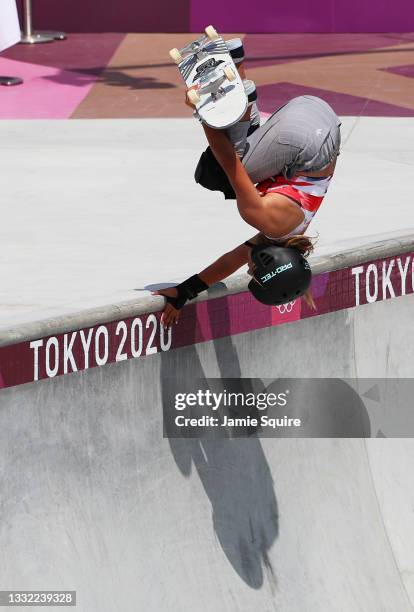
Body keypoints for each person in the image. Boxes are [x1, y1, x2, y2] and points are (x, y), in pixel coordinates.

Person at [156, 39, 341, 327]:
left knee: (250, 156)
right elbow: (229, 162)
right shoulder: (265, 218)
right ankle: (242, 101)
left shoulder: (286, 236)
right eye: (255, 273)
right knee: (215, 174)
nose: (248, 270)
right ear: (270, 265)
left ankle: (238, 65)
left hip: (319, 119)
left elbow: (232, 259)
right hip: (303, 137)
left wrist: (184, 292)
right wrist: (203, 110)